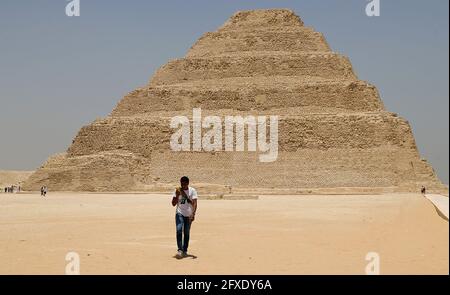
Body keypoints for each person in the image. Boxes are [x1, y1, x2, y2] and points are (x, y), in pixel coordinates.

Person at [171, 176, 198, 258]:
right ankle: (180, 250)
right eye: (181, 184)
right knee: (179, 229)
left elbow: (195, 203)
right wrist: (177, 195)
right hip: (179, 213)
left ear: (188, 183)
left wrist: (193, 214)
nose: (183, 185)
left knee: (186, 233)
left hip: (189, 214)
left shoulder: (192, 191)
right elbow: (173, 204)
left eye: (184, 184)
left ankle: (185, 250)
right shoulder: (177, 190)